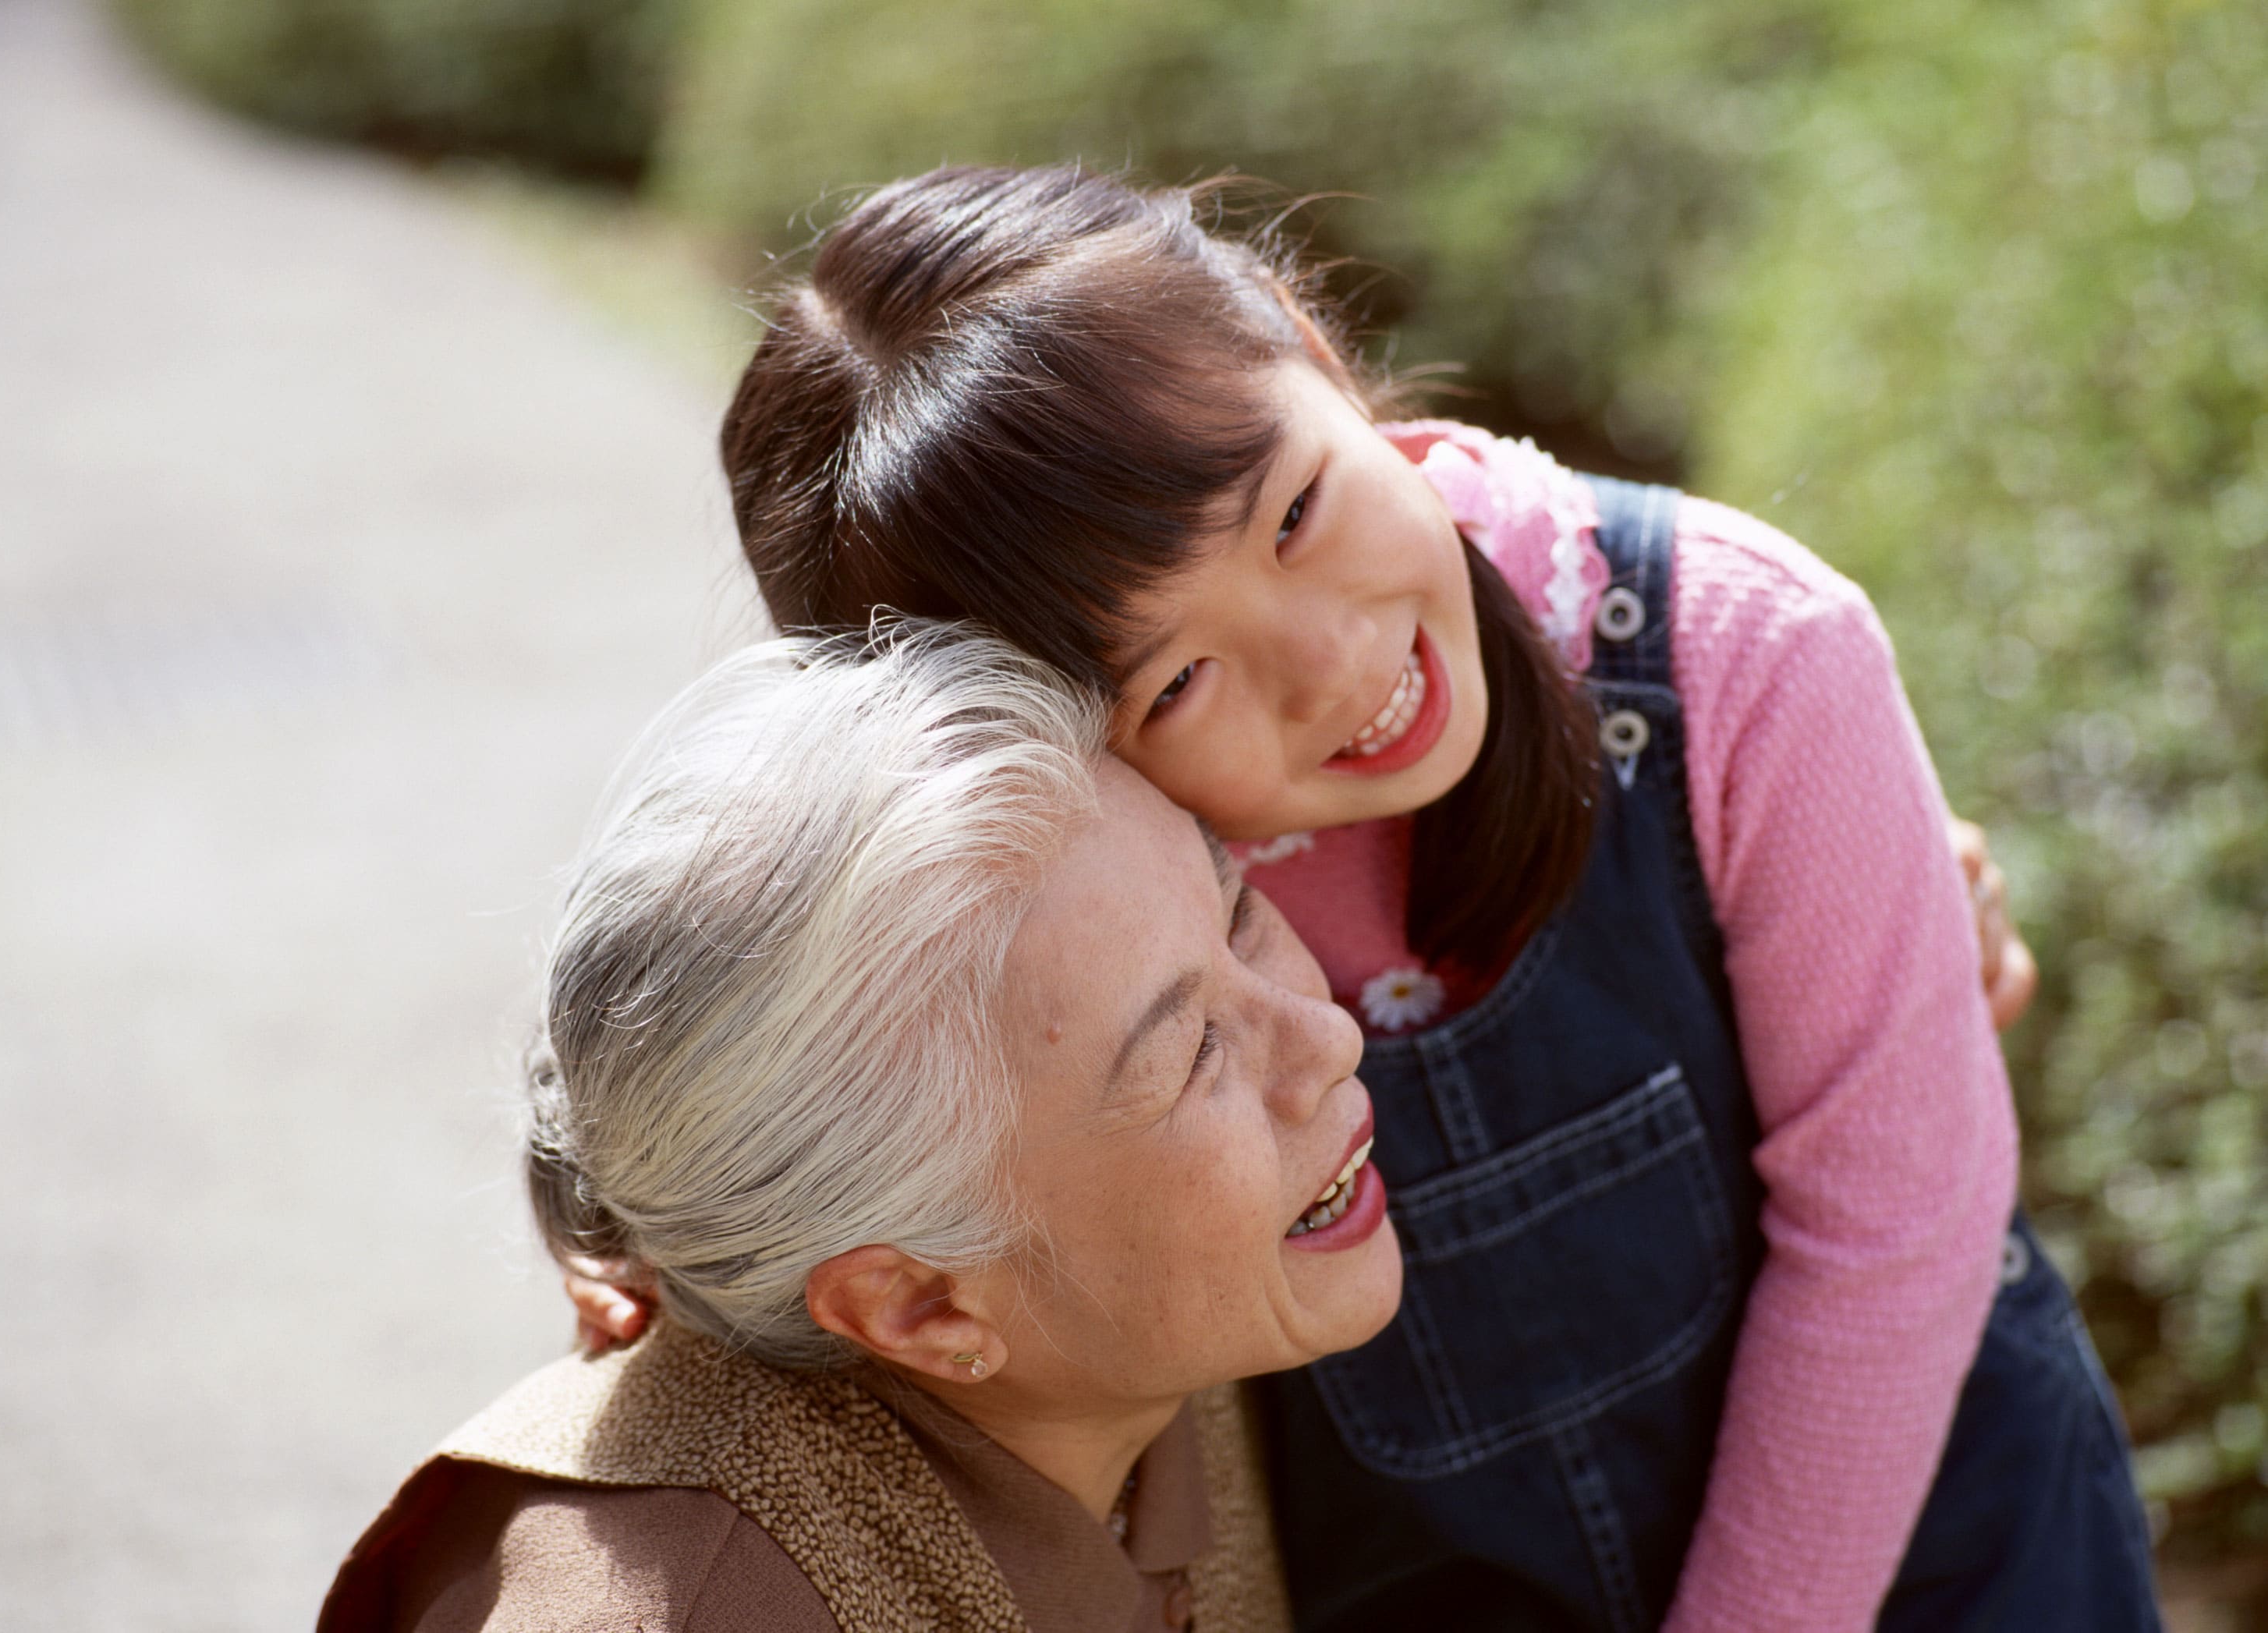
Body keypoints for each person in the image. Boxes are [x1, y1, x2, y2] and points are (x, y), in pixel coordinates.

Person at [571, 167, 2155, 1631]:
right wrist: (630, 1210)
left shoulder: (1740, 653)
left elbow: (1894, 1231)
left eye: (1295, 512)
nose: (1326, 663)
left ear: (1314, 353)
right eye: (1178, 678)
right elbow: (772, 950)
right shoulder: (1109, 874)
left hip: (1945, 1550)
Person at [324, 626, 1394, 1631]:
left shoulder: (1143, 1320)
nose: (1327, 1035)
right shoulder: (671, 1601)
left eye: (1240, 910)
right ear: (918, 1303)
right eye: (1192, 1053)